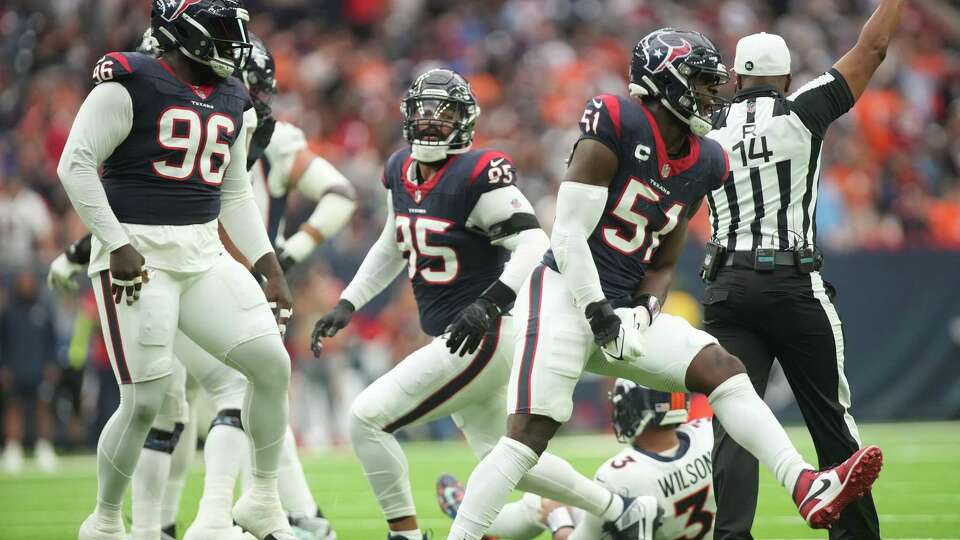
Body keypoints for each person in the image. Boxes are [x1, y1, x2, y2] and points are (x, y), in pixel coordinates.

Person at [447, 28, 883, 540]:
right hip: (566, 296)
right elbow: (567, 236)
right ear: (664, 79)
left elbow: (663, 258)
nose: (711, 93)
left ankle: (805, 482)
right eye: (700, 80)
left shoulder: (707, 157)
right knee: (526, 439)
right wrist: (601, 313)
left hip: (619, 310)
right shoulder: (614, 120)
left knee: (724, 370)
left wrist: (644, 309)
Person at [312, 68, 647, 540]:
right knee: (510, 458)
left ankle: (405, 534)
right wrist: (349, 302)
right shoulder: (399, 171)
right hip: (460, 336)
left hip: (481, 336)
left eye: (443, 113)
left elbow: (534, 243)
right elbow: (393, 243)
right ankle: (620, 509)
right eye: (423, 112)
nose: (431, 122)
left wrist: (491, 303)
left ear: (465, 121)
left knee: (367, 418)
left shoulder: (477, 174)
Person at [48, 31, 351, 540]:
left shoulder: (235, 99)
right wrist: (111, 243)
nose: (236, 56)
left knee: (270, 365)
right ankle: (105, 521)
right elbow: (75, 165)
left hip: (204, 252)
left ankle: (260, 500)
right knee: (146, 403)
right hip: (141, 257)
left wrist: (270, 264)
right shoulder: (129, 81)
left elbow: (234, 195)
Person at [701, 2, 905, 538]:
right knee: (831, 421)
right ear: (787, 78)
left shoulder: (703, 126)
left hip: (726, 284)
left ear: (732, 79)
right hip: (792, 281)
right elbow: (872, 49)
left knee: (734, 422)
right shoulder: (800, 110)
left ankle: (732, 536)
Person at [438, 380, 715, 539]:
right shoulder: (707, 437)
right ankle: (482, 522)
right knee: (548, 498)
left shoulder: (621, 476)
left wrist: (558, 521)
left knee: (543, 503)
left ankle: (471, 514)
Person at [0, 270, 60, 473]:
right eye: (22, 281)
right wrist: (4, 367)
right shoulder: (8, 312)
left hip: (40, 370)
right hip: (15, 370)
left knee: (43, 408)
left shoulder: (44, 310)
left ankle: (44, 448)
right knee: (13, 408)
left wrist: (51, 364)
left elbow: (52, 341)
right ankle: (13, 449)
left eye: (29, 280)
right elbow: (3, 343)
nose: (26, 284)